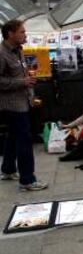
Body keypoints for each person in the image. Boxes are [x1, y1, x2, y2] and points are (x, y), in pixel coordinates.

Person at [0, 19, 47, 190]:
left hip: (23, 100)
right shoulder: (1, 53)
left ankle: (8, 169)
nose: (25, 35)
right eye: (22, 32)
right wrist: (22, 82)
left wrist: (31, 94)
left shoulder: (18, 50)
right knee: (24, 139)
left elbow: (23, 74)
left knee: (12, 136)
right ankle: (28, 180)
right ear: (10, 34)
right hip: (11, 105)